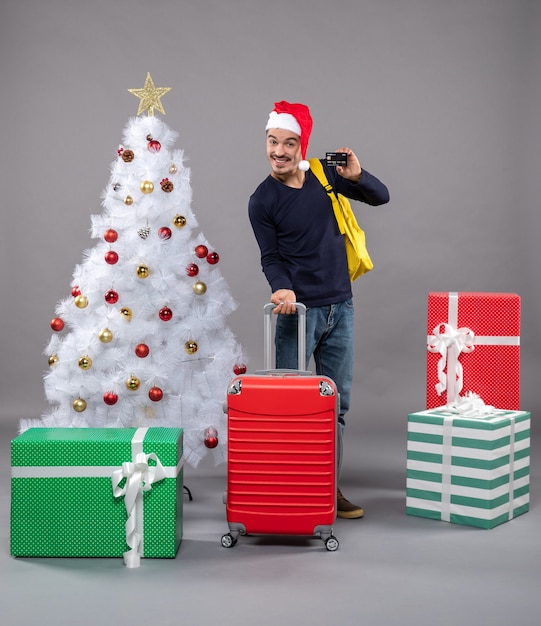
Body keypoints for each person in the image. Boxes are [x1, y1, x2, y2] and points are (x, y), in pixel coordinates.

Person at [248, 100, 389, 519]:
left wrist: (358, 175)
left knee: (336, 405)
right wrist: (282, 290)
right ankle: (287, 487)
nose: (279, 151)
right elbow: (270, 258)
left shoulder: (325, 176)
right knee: (290, 406)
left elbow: (380, 197)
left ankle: (328, 488)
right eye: (273, 142)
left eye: (289, 143)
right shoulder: (262, 200)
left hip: (340, 308)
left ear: (301, 145)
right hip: (298, 315)